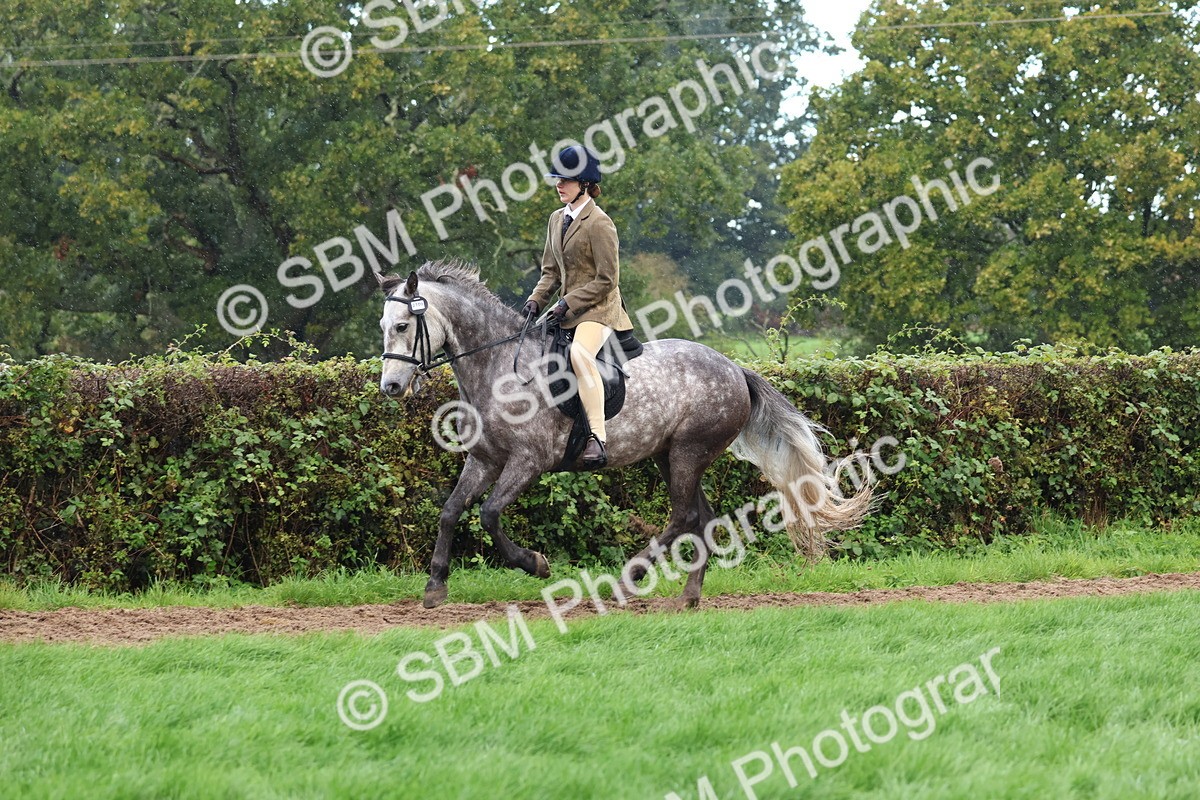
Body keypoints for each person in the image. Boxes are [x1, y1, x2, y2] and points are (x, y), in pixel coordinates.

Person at [523, 145, 634, 470]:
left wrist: (568, 302)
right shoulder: (557, 219)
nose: (559, 185)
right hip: (564, 308)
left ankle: (597, 438)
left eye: (566, 180)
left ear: (584, 183)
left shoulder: (600, 223)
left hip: (599, 309)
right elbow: (551, 272)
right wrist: (535, 301)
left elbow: (607, 280)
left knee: (580, 355)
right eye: (557, 179)